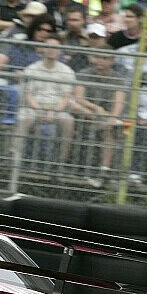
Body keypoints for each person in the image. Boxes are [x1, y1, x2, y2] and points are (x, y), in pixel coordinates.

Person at [19, 33, 77, 166]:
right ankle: (15, 153)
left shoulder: (67, 71)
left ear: (60, 51)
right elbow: (28, 95)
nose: (51, 50)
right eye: (48, 46)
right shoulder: (32, 69)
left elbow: (66, 97)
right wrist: (39, 110)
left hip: (57, 108)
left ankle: (62, 161)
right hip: (34, 106)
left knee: (68, 120)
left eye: (55, 47)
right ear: (42, 48)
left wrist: (54, 111)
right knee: (24, 117)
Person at [73, 44, 127, 186]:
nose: (100, 61)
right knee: (77, 107)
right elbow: (79, 98)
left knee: (113, 127)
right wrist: (97, 109)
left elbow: (119, 103)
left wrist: (112, 118)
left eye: (105, 58)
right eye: (98, 57)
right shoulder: (84, 74)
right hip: (87, 114)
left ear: (112, 61)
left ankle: (104, 170)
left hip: (107, 117)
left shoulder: (118, 78)